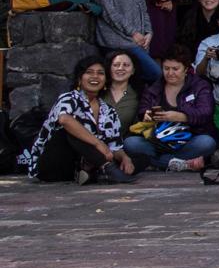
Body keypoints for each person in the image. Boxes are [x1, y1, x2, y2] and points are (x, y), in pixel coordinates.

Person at [25, 55, 137, 183]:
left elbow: (114, 146)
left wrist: (124, 158)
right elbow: (64, 120)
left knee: (140, 158)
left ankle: (93, 173)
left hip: (82, 163)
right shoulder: (68, 98)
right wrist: (98, 143)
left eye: (100, 73)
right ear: (80, 78)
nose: (95, 77)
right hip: (52, 165)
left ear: (106, 80)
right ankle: (106, 170)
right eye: (89, 72)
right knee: (70, 130)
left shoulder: (109, 111)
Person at [127, 48, 219, 171]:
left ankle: (160, 162)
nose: (170, 73)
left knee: (207, 143)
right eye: (166, 68)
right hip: (158, 142)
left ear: (186, 69)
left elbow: (206, 112)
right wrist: (146, 114)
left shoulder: (200, 85)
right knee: (130, 143)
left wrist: (181, 116)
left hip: (189, 140)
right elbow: (143, 109)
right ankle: (180, 164)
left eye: (175, 69)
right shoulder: (154, 87)